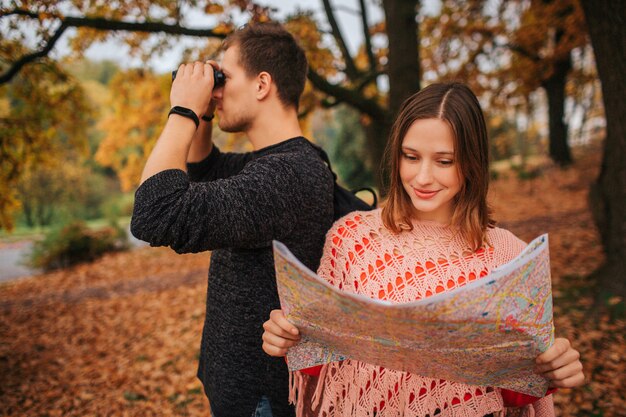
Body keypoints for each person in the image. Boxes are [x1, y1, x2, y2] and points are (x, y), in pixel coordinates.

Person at [261, 82, 585, 417]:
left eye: (444, 161)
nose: (423, 177)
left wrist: (548, 372)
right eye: (411, 157)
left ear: (472, 163)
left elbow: (513, 391)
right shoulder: (351, 238)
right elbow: (324, 365)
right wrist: (290, 339)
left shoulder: (508, 257)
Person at [130, 23, 335, 417]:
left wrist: (184, 110)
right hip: (239, 388)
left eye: (223, 77)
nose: (216, 89)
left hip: (260, 401)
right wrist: (204, 114)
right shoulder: (273, 164)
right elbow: (204, 170)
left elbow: (155, 212)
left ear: (262, 85)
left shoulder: (288, 176)